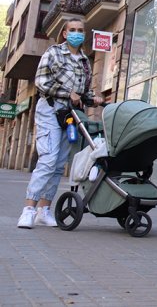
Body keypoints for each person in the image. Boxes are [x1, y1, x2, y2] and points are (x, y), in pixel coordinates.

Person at [17, 19, 103, 229]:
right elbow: (41, 81)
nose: (76, 33)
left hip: (71, 116)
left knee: (57, 165)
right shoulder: (53, 53)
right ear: (64, 33)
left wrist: (94, 98)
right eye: (72, 30)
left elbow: (83, 92)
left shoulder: (84, 61)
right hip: (50, 109)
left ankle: (43, 210)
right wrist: (68, 93)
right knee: (48, 159)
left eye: (80, 31)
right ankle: (28, 209)